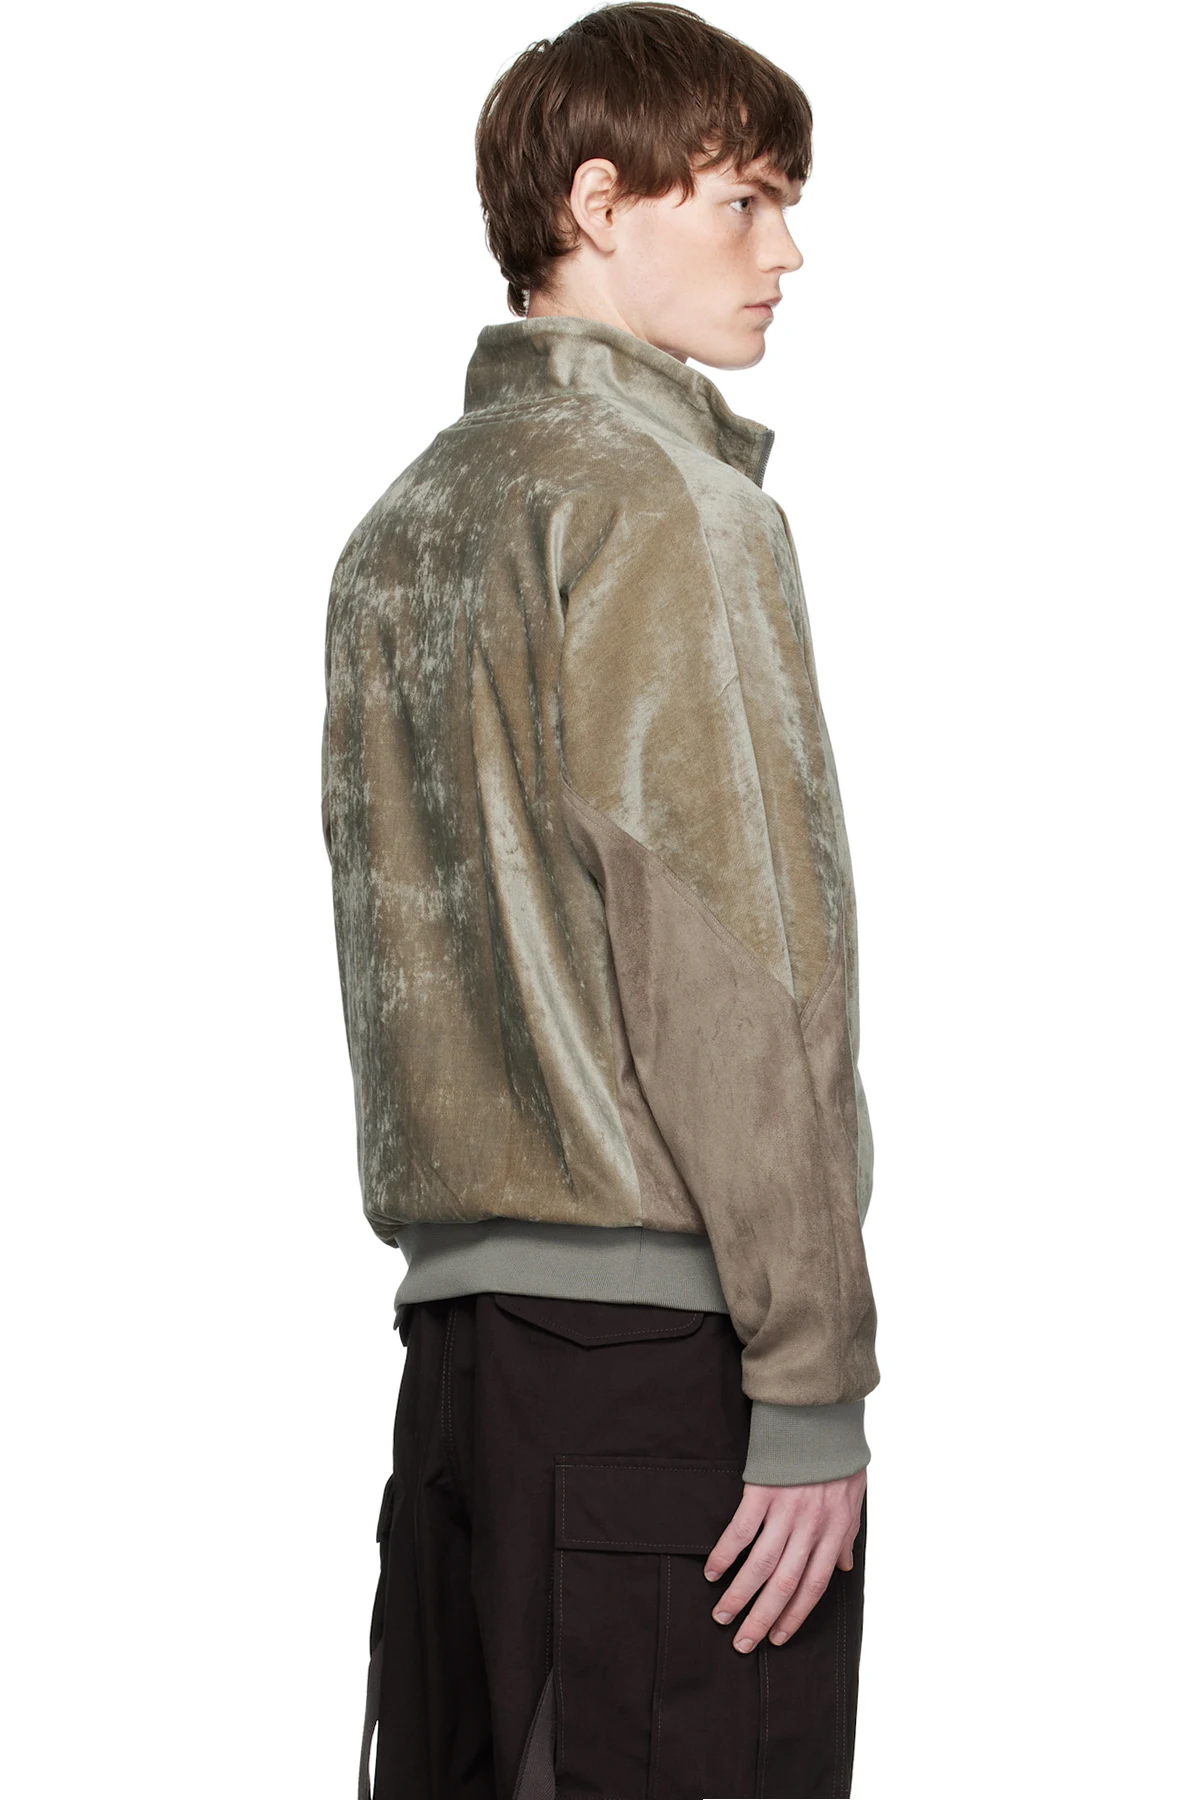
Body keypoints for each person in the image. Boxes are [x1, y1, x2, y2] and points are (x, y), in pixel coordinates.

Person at [321, 6, 882, 1795]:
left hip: (462, 1376)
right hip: (661, 1372)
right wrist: (811, 1371)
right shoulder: (668, 507)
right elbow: (730, 953)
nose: (786, 253)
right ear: (597, 203)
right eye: (745, 199)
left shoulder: (406, 526)